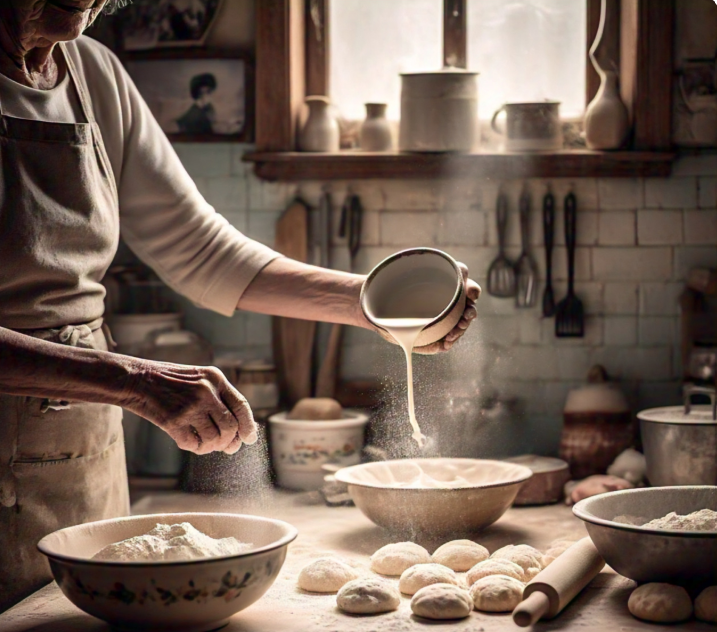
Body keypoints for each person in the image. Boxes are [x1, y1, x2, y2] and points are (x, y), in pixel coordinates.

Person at [0, 0, 481, 612]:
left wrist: (373, 302)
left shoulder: (93, 74)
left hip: (79, 444)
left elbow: (199, 249)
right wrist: (133, 380)